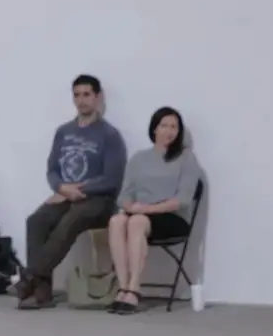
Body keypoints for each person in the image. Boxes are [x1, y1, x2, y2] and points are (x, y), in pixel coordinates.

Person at [17, 74, 126, 309]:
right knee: (36, 221)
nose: (81, 100)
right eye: (77, 95)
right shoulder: (63, 132)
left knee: (70, 220)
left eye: (86, 94)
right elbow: (52, 170)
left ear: (98, 97)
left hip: (99, 201)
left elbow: (113, 179)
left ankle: (29, 278)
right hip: (67, 197)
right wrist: (61, 188)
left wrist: (80, 190)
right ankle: (41, 293)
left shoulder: (110, 135)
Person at [106, 107, 202, 314]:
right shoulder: (139, 158)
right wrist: (131, 206)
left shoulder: (186, 158)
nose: (169, 131)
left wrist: (148, 209)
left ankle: (134, 288)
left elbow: (182, 200)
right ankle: (123, 287)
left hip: (171, 217)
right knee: (117, 221)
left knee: (137, 221)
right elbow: (124, 196)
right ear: (154, 129)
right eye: (164, 125)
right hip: (140, 214)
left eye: (174, 127)